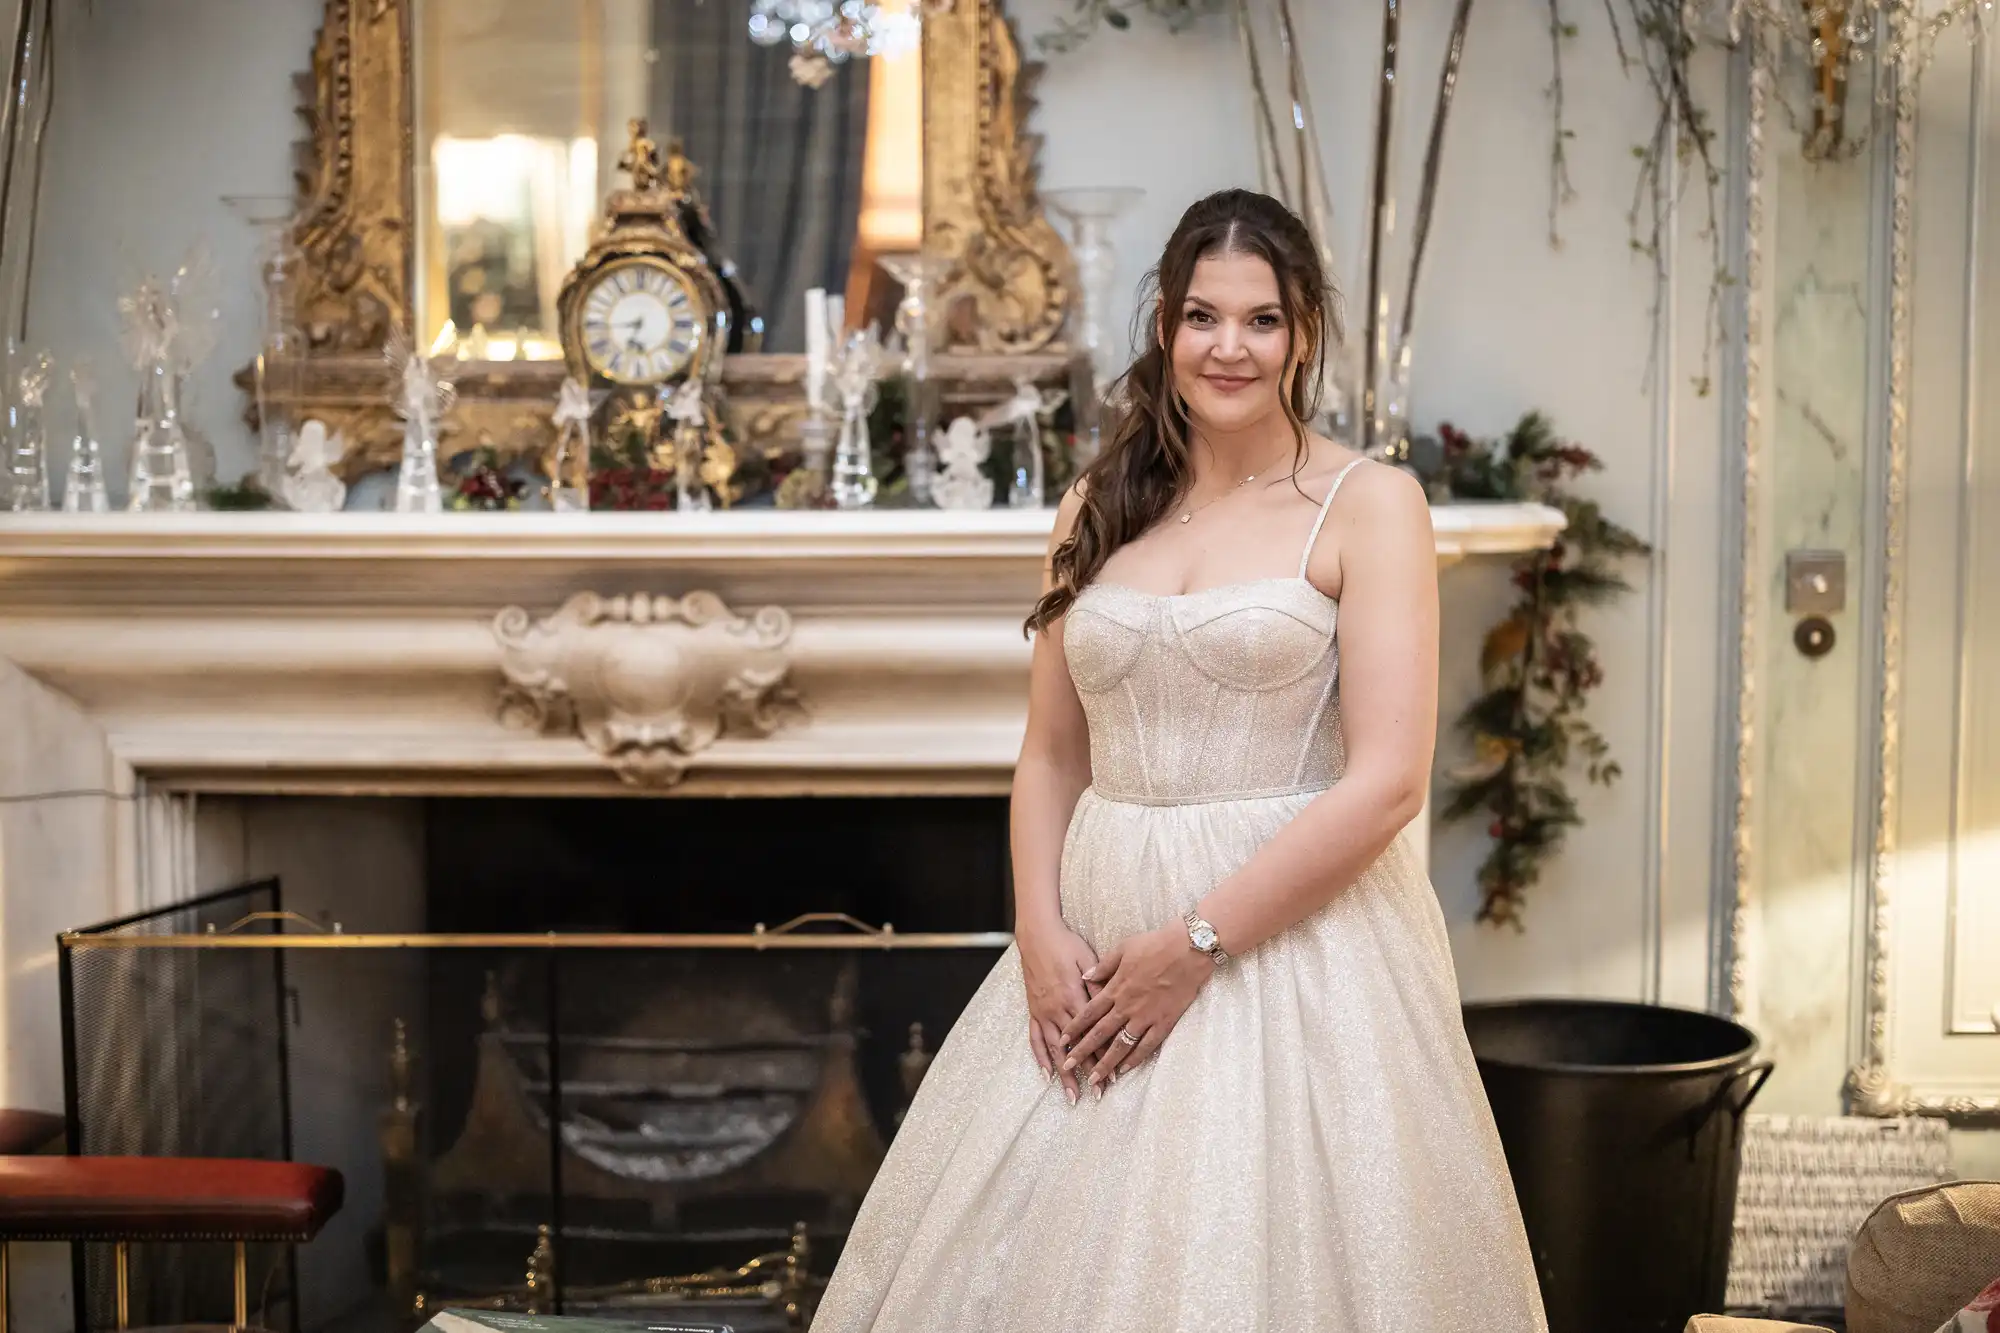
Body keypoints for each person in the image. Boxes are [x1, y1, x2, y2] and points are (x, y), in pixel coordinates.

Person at [812, 189, 1548, 1332]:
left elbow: (1389, 779)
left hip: (1290, 953)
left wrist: (1196, 944)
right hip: (1091, 949)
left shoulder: (1369, 504)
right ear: (1164, 325)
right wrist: (1038, 930)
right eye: (1202, 316)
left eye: (1261, 320)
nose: (1229, 347)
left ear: (1302, 332)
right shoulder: (1096, 505)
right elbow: (1050, 757)